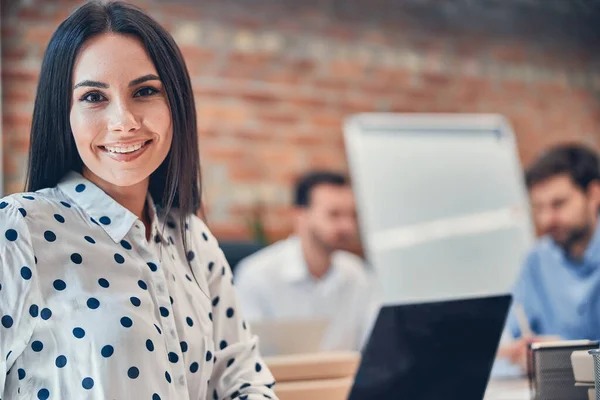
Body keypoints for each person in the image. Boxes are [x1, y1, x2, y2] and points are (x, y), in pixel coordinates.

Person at [0, 2, 276, 399]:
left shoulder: (193, 238)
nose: (124, 121)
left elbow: (244, 381)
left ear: (174, 105)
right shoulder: (19, 230)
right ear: (64, 115)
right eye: (94, 97)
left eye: (145, 91)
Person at [235, 171, 378, 352]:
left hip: (344, 379)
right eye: (334, 215)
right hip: (283, 380)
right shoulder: (257, 275)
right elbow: (246, 356)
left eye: (352, 216)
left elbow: (373, 346)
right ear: (300, 216)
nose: (347, 227)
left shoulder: (358, 274)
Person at [498, 144, 600, 369]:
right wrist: (518, 351)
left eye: (558, 204)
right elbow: (511, 334)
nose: (546, 220)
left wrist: (566, 355)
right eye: (539, 208)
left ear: (594, 194)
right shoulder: (538, 259)